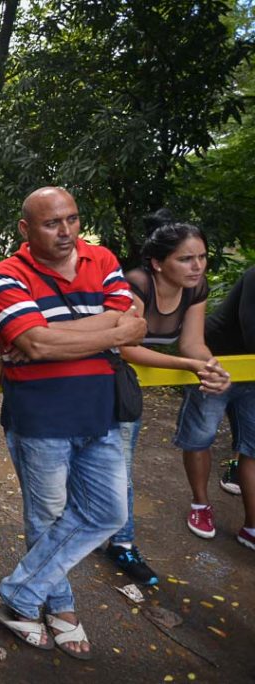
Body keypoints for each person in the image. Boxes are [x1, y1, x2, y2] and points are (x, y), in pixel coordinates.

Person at [0, 186, 146, 659]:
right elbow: (35, 345)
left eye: (71, 219)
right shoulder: (5, 275)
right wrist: (107, 331)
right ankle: (62, 608)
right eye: (52, 223)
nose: (66, 231)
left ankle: (18, 594)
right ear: (25, 229)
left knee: (109, 513)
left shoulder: (102, 259)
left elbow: (132, 324)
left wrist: (50, 335)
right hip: (41, 416)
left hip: (101, 412)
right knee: (48, 518)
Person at [108, 219, 230, 583]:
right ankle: (121, 542)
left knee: (117, 464)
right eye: (186, 259)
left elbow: (192, 342)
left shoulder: (196, 288)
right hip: (103, 377)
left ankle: (117, 538)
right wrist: (190, 364)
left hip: (123, 382)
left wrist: (208, 366)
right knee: (119, 465)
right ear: (159, 263)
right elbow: (126, 348)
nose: (197, 266)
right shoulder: (136, 284)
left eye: (202, 257)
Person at [174, 265, 255, 550]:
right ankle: (201, 504)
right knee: (200, 436)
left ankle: (252, 527)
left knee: (253, 447)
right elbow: (251, 331)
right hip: (214, 362)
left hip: (252, 374)